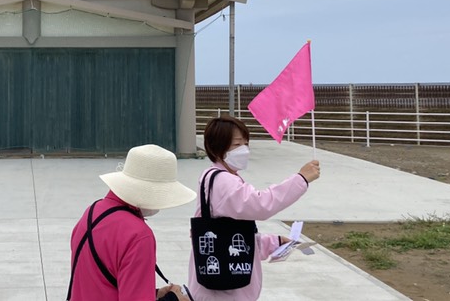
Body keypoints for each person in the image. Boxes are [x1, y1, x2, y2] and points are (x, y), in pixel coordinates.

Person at [188, 116, 321, 301]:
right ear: (218, 147)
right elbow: (260, 205)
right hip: (223, 292)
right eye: (237, 144)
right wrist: (301, 179)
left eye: (246, 143)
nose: (244, 149)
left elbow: (230, 234)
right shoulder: (223, 180)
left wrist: (274, 242)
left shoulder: (215, 176)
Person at [68, 144, 197, 301]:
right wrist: (173, 299)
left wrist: (154, 293)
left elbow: (101, 284)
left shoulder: (91, 212)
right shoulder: (139, 235)